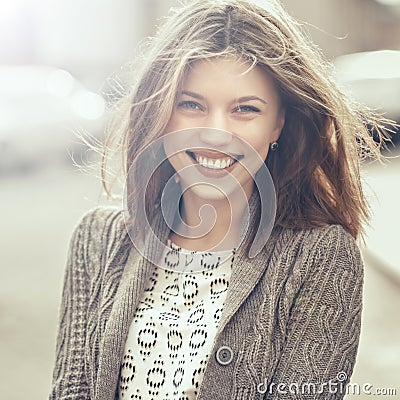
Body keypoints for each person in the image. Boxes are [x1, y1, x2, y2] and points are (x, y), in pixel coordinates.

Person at [49, 0, 390, 399]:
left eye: (245, 110)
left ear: (277, 123)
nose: (215, 132)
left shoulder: (321, 260)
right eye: (191, 104)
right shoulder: (96, 241)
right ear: (161, 110)